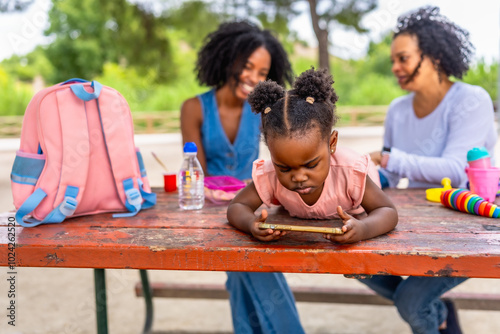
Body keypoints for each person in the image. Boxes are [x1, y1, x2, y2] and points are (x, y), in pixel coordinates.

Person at [227, 66, 398, 324]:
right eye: (285, 167)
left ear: (331, 144)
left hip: (358, 196)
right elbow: (237, 205)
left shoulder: (350, 172)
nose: (298, 177)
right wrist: (250, 224)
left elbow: (388, 212)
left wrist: (362, 229)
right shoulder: (272, 173)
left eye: (310, 165)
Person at [365, 6, 497, 334]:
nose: (395, 67)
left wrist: (388, 158)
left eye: (403, 58)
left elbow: (454, 172)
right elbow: (392, 178)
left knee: (412, 302)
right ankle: (437, 312)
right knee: (358, 267)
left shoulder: (472, 100)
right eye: (393, 60)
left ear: (434, 56)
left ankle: (432, 312)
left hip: (469, 225)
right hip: (419, 222)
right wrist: (361, 179)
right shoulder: (398, 110)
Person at [180, 21, 299, 334]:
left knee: (243, 271)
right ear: (227, 59)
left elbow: (278, 162)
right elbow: (196, 173)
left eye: (262, 73)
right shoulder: (194, 108)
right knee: (252, 265)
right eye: (247, 67)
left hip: (251, 204)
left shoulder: (264, 110)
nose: (253, 79)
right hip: (211, 210)